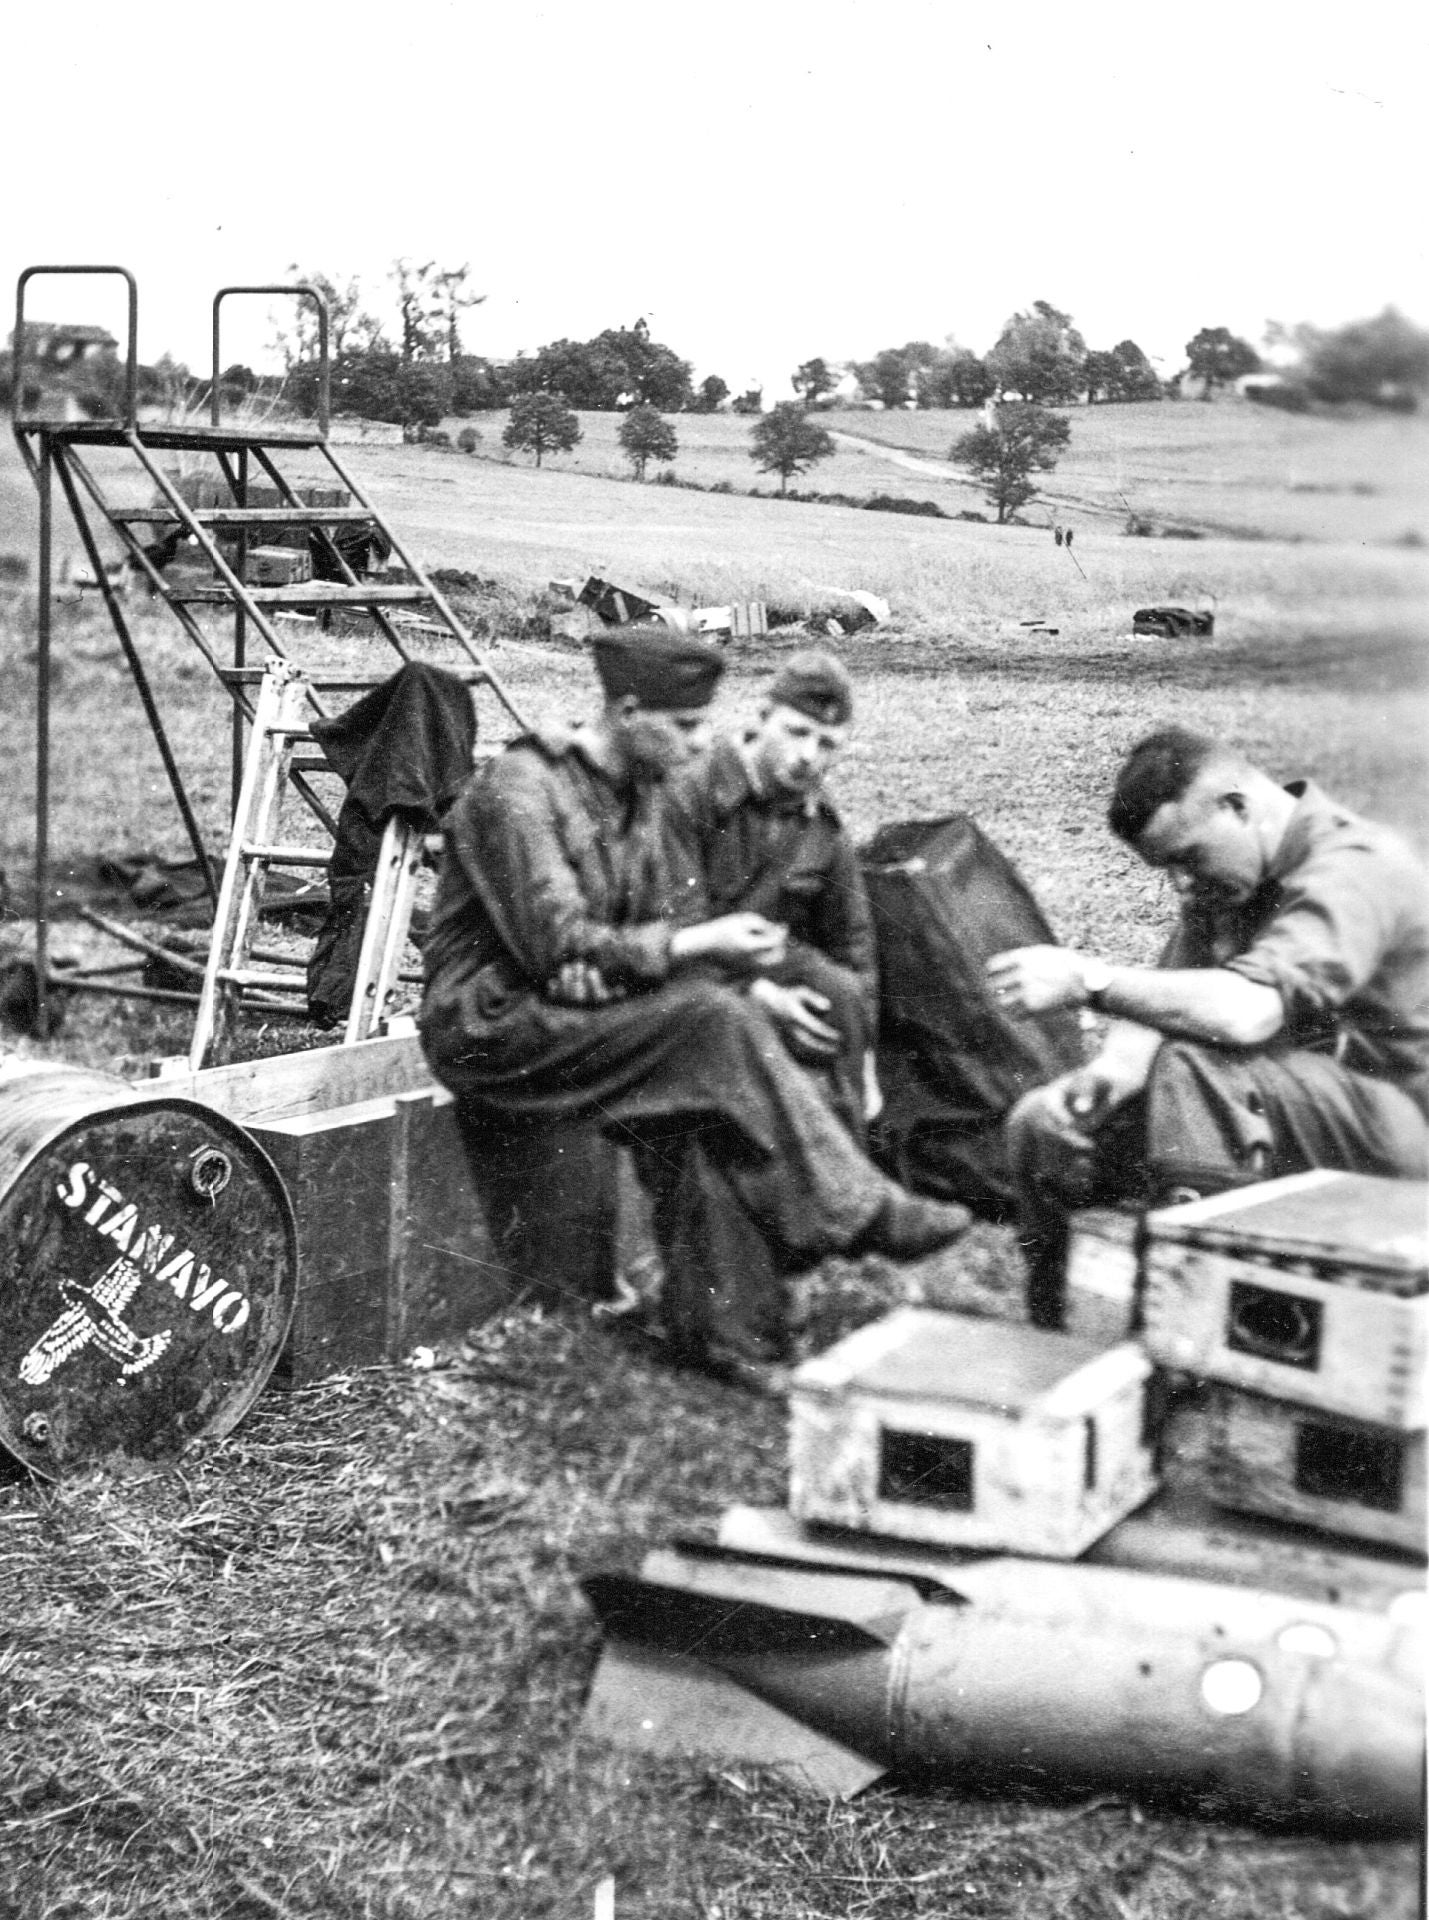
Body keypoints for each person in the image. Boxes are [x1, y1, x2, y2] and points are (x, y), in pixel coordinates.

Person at [418, 624, 969, 1389]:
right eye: (683, 726)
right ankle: (849, 1206)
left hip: (575, 1012)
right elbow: (562, 941)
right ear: (628, 711)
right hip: (489, 1028)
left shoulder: (637, 799)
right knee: (713, 1023)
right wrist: (649, 951)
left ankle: (729, 1332)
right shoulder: (521, 788)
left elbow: (624, 935)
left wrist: (615, 960)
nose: (701, 740)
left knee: (711, 1080)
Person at [986, 727, 1429, 1328]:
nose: (1182, 885)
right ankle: (1064, 1345)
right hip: (1298, 1113)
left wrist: (1089, 981)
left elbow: (1245, 1012)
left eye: (1187, 858)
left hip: (1402, 1133)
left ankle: (1187, 1332)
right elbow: (1170, 994)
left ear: (1238, 806)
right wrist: (1110, 1074)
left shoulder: (1353, 870)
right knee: (1045, 1123)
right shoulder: (1232, 878)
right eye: (1167, 869)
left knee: (1198, 1071)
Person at [663, 650, 876, 1138]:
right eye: (797, 732)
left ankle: (851, 1179)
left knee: (840, 994)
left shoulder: (821, 826)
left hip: (766, 974)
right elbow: (671, 925)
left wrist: (862, 1059)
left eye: (827, 744)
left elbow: (854, 944)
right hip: (683, 975)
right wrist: (760, 996)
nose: (809, 756)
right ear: (762, 720)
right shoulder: (690, 792)